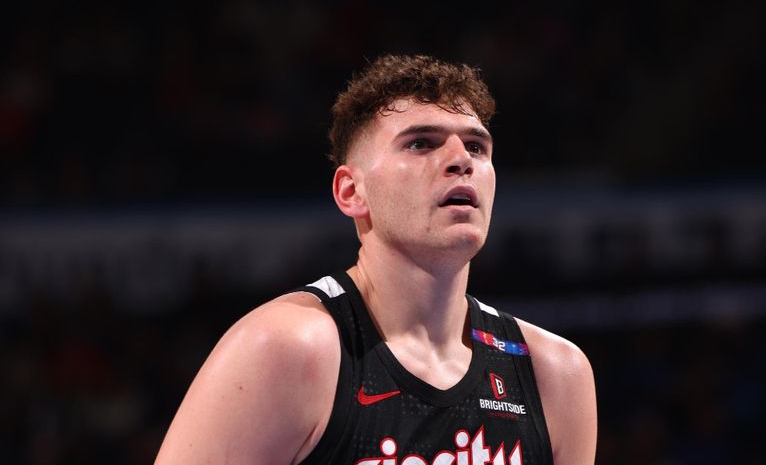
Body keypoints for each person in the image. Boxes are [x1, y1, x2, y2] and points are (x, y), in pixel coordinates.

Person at [155, 54, 597, 464]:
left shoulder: (554, 374)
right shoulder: (287, 349)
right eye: (422, 143)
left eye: (477, 148)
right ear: (352, 192)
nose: (461, 160)